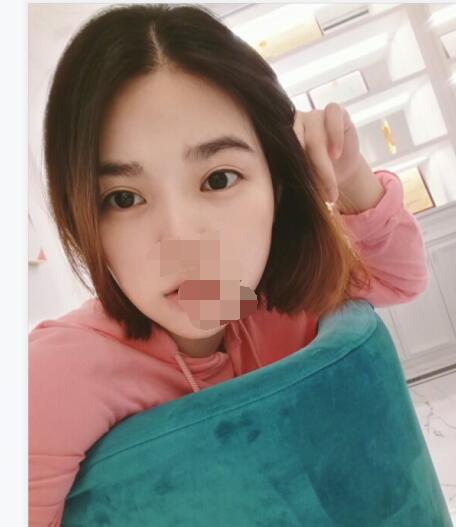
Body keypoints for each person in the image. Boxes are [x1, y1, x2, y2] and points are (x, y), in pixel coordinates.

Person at [28, 4, 428, 526]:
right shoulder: (57, 375)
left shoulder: (266, 304)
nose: (180, 236)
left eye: (218, 179)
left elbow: (399, 277)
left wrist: (348, 173)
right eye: (124, 198)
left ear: (276, 186)